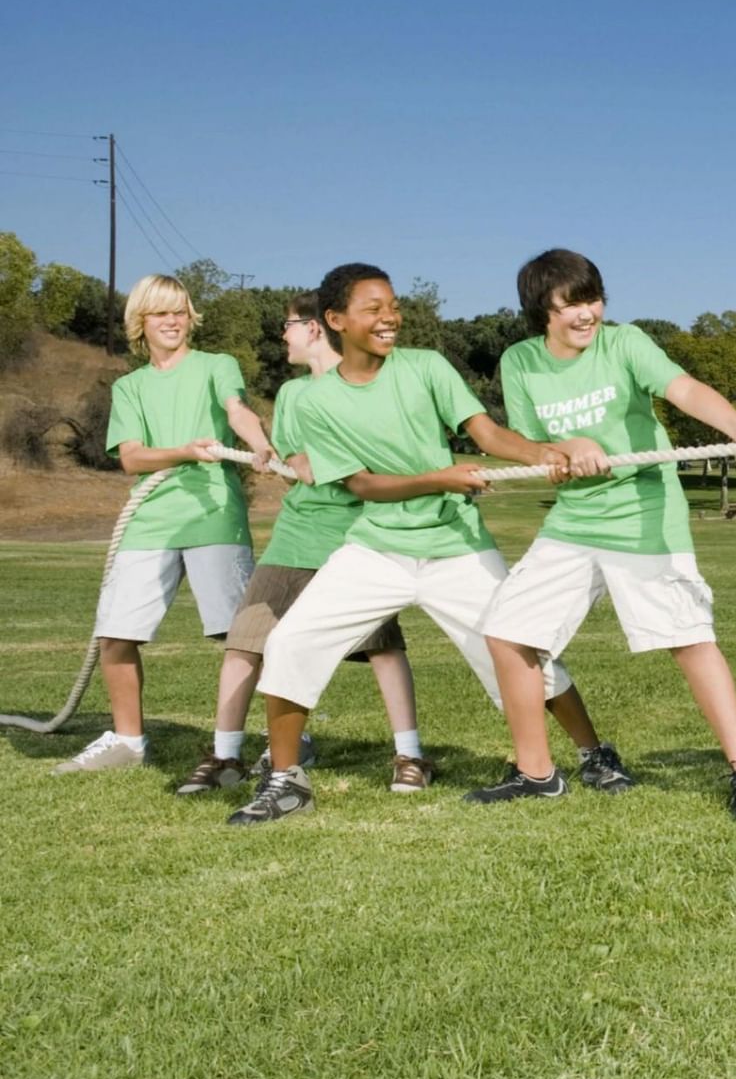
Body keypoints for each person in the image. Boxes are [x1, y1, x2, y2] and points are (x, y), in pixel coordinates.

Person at [227, 263, 619, 824]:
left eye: (392, 305)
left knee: (518, 653)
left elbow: (484, 433)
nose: (389, 318)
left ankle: (594, 755)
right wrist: (439, 477)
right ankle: (286, 783)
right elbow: (362, 484)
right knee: (290, 643)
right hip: (376, 549)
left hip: (455, 544)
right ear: (334, 320)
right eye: (373, 308)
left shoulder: (427, 367)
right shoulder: (313, 402)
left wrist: (545, 454)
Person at [471, 249, 736, 811]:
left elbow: (683, 389)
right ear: (542, 310)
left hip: (643, 512)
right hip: (574, 517)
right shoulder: (519, 361)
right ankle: (536, 772)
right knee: (507, 631)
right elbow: (526, 438)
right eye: (570, 305)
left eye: (592, 299)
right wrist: (565, 449)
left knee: (688, 640)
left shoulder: (626, 343)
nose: (586, 314)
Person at [177, 293, 430, 796]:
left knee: (382, 648)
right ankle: (225, 756)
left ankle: (411, 757)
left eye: (288, 325)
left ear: (315, 327)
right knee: (244, 642)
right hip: (293, 540)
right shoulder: (293, 395)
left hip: (357, 539)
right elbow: (301, 465)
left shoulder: (372, 382)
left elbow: (377, 461)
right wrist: (272, 454)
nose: (283, 335)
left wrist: (323, 466)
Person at [56, 274, 275, 776]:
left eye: (179, 310)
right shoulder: (129, 386)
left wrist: (259, 443)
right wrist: (183, 451)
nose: (172, 321)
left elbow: (236, 409)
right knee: (115, 634)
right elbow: (131, 459)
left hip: (212, 514)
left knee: (241, 636)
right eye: (160, 313)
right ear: (141, 322)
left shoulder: (217, 365)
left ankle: (280, 736)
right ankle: (128, 741)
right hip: (150, 521)